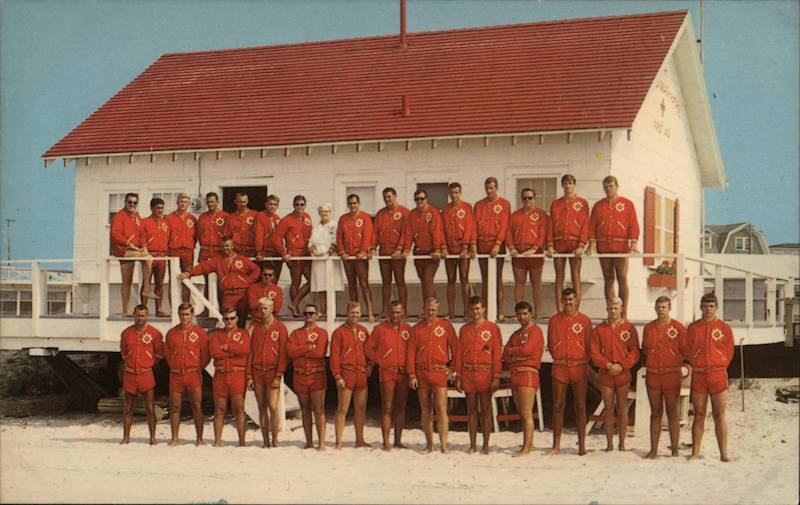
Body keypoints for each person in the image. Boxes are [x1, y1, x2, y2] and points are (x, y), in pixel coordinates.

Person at [686, 292, 734, 462]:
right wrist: (698, 363)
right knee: (699, 414)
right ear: (701, 307)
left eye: (712, 306)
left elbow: (729, 352)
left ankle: (724, 454)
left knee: (719, 415)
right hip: (699, 375)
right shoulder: (693, 328)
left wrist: (718, 365)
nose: (708, 309)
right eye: (705, 306)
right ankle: (695, 452)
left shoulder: (724, 328)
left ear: (716, 307)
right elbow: (688, 349)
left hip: (717, 374)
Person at [546, 287, 592, 456]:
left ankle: (582, 445)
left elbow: (589, 345)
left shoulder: (585, 321)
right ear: (561, 301)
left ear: (576, 300)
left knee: (580, 406)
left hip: (579, 366)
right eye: (565, 300)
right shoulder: (554, 320)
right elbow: (551, 344)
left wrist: (579, 357)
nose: (568, 303)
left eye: (571, 299)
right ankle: (556, 445)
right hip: (559, 367)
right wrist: (559, 354)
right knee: (558, 405)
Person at [408, 297, 457, 454]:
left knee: (441, 409)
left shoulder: (445, 326)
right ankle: (429, 444)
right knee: (425, 409)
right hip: (422, 372)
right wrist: (411, 375)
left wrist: (452, 368)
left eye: (434, 310)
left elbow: (456, 348)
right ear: (423, 310)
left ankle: (443, 445)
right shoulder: (416, 329)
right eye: (428, 310)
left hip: (438, 372)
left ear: (438, 310)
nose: (431, 313)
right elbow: (410, 354)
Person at [591, 297, 640, 452]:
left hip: (622, 373)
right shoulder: (599, 329)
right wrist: (608, 364)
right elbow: (594, 352)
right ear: (607, 309)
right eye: (610, 308)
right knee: (609, 407)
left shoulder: (629, 328)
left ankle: (622, 443)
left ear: (621, 309)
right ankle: (609, 444)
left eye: (616, 308)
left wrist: (622, 365)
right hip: (606, 373)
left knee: (622, 407)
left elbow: (634, 352)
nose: (613, 311)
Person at [454, 296, 502, 454]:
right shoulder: (464, 329)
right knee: (472, 409)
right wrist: (458, 376)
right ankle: (473, 444)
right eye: (473, 309)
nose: (475, 312)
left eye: (478, 309)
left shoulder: (492, 328)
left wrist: (496, 376)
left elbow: (496, 354)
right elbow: (459, 354)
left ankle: (486, 444)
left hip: (485, 372)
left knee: (486, 409)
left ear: (484, 309)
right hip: (468, 373)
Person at [641, 296, 687, 459]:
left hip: (671, 375)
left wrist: (681, 366)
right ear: (655, 308)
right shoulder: (649, 328)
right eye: (659, 307)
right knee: (655, 412)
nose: (661, 310)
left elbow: (685, 351)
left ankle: (674, 450)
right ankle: (653, 450)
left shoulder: (679, 328)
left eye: (664, 307)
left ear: (669, 308)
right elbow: (645, 350)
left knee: (673, 412)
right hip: (653, 375)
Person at [178, 236, 260, 326]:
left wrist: (247, 281)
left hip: (242, 295)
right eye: (224, 246)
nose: (226, 248)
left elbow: (256, 269)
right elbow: (203, 267)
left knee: (241, 323)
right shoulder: (218, 261)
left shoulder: (242, 259)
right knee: (228, 322)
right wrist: (189, 273)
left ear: (233, 246)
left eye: (228, 246)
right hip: (228, 296)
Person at [588, 176, 639, 319]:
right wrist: (592, 243)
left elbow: (633, 224)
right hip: (604, 246)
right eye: (605, 187)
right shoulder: (598, 206)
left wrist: (633, 243)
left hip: (621, 246)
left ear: (617, 186)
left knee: (622, 277)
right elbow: (592, 225)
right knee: (608, 278)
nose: (608, 189)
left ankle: (623, 312)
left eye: (611, 186)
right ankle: (612, 311)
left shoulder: (627, 204)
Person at [366, 300, 412, 451]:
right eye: (392, 312)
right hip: (387, 372)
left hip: (403, 373)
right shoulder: (380, 329)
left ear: (403, 312)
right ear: (388, 312)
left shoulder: (408, 329)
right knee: (386, 407)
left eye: (398, 312)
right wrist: (381, 360)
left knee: (401, 406)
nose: (395, 315)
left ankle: (398, 440)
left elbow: (412, 351)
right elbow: (369, 348)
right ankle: (386, 442)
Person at [502, 301, 544, 457]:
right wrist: (518, 353)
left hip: (528, 372)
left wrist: (515, 351)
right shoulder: (516, 334)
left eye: (525, 313)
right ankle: (529, 443)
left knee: (526, 412)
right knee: (521, 412)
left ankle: (526, 448)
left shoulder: (536, 331)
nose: (522, 316)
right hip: (516, 373)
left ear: (531, 314)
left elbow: (528, 349)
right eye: (519, 314)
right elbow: (505, 354)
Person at [164, 303, 209, 446]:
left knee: (197, 406)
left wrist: (196, 367)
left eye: (187, 314)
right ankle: (175, 438)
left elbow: (205, 356)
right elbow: (168, 354)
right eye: (182, 314)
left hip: (193, 375)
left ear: (192, 315)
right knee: (175, 407)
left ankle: (199, 438)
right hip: (176, 375)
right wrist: (175, 366)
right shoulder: (171, 333)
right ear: (178, 315)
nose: (184, 317)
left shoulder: (200, 333)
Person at [330, 302, 374, 449]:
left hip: (361, 373)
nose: (354, 315)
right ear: (347, 313)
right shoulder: (339, 332)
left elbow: (370, 351)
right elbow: (334, 357)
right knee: (343, 408)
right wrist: (337, 376)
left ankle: (359, 440)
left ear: (360, 314)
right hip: (346, 372)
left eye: (357, 312)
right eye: (352, 312)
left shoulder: (363, 331)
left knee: (361, 408)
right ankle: (338, 441)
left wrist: (370, 365)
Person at [246, 297, 288, 448]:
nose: (263, 311)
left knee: (273, 405)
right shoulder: (256, 329)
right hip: (258, 371)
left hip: (272, 371)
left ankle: (275, 439)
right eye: (261, 308)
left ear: (272, 309)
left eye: (266, 308)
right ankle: (265, 441)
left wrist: (279, 375)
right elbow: (251, 352)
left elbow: (283, 354)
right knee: (261, 406)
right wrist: (249, 376)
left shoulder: (280, 328)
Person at [287, 303, 328, 451]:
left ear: (317, 315)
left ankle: (322, 442)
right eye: (306, 314)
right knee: (305, 410)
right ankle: (309, 442)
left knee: (319, 410)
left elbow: (319, 352)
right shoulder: (296, 333)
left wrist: (301, 348)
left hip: (316, 374)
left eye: (311, 313)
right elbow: (291, 352)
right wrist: (308, 347)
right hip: (300, 375)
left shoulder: (322, 332)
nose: (308, 316)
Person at [119, 304, 163, 445]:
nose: (140, 318)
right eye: (138, 315)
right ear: (134, 315)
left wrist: (148, 364)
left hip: (146, 374)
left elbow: (159, 354)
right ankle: (126, 438)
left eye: (143, 316)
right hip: (130, 375)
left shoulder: (154, 333)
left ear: (147, 316)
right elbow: (123, 353)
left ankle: (153, 437)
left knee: (150, 408)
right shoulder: (126, 333)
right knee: (128, 408)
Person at [547, 174, 589, 312]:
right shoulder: (555, 204)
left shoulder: (582, 203)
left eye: (570, 183)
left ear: (574, 184)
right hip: (559, 243)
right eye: (565, 183)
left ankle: (575, 309)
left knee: (575, 274)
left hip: (574, 243)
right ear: (562, 185)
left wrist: (581, 245)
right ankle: (560, 309)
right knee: (559, 276)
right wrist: (550, 245)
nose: (567, 186)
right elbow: (550, 225)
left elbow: (585, 225)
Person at [209, 307, 251, 447]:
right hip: (220, 374)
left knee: (239, 408)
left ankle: (242, 441)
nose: (229, 321)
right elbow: (215, 352)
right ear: (223, 320)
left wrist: (227, 347)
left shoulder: (243, 334)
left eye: (232, 318)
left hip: (237, 374)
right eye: (226, 319)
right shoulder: (216, 335)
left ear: (237, 319)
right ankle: (218, 441)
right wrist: (234, 350)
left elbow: (244, 350)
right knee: (219, 409)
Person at [110, 193, 156, 316]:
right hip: (123, 250)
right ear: (125, 202)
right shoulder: (119, 216)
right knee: (127, 281)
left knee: (147, 257)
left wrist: (144, 246)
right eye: (130, 202)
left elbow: (142, 234)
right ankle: (126, 309)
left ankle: (146, 288)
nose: (132, 205)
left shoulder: (136, 216)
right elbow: (115, 234)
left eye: (135, 202)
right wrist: (127, 243)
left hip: (135, 250)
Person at [507, 187, 549, 320]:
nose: (527, 201)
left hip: (534, 254)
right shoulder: (515, 215)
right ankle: (519, 313)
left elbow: (542, 234)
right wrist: (512, 248)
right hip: (519, 254)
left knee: (536, 283)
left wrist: (534, 249)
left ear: (535, 199)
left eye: (530, 198)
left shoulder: (541, 214)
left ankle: (538, 313)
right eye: (524, 198)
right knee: (519, 283)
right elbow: (508, 233)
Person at [403, 189, 445, 315]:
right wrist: (406, 249)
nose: (419, 201)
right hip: (419, 252)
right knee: (424, 281)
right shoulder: (412, 214)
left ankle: (433, 309)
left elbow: (437, 231)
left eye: (422, 199)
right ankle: (427, 309)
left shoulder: (433, 212)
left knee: (428, 279)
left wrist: (437, 249)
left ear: (426, 199)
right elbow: (409, 233)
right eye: (417, 199)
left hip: (431, 252)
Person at [474, 177, 511, 321]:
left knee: (498, 279)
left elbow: (504, 225)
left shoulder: (504, 204)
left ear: (497, 188)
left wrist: (498, 244)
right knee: (485, 279)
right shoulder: (479, 205)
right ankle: (485, 310)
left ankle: (499, 311)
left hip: (496, 245)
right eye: (487, 188)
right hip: (482, 244)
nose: (489, 191)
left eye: (492, 188)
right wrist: (474, 244)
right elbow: (475, 225)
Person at [371, 187, 409, 318]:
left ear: (395, 196)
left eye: (389, 197)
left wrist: (399, 249)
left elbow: (406, 233)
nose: (387, 199)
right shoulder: (381, 214)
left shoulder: (404, 212)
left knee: (400, 281)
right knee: (385, 282)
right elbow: (375, 233)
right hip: (384, 252)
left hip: (397, 254)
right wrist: (372, 247)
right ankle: (385, 310)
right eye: (385, 197)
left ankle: (403, 310)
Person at [337, 194, 376, 322]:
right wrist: (342, 252)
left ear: (358, 203)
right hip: (348, 257)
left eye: (355, 203)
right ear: (347, 204)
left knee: (364, 284)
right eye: (350, 203)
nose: (352, 206)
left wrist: (363, 251)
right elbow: (339, 237)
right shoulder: (343, 219)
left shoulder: (365, 217)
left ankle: (370, 312)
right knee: (352, 284)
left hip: (360, 257)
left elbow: (367, 235)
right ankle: (355, 313)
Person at [273, 195, 313, 318]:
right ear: (293, 205)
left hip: (306, 255)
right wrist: (284, 253)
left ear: (305, 205)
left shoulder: (307, 217)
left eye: (302, 204)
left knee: (313, 281)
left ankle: (294, 303)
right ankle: (294, 309)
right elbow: (277, 238)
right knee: (296, 281)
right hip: (294, 255)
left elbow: (311, 234)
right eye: (297, 204)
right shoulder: (286, 220)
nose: (299, 207)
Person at [441, 182, 477, 320]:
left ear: (460, 193)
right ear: (449, 194)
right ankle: (451, 312)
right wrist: (444, 247)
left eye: (456, 192)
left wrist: (466, 247)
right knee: (451, 280)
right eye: (452, 193)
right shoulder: (445, 209)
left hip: (463, 250)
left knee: (464, 279)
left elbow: (469, 228)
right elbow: (442, 229)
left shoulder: (467, 207)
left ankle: (467, 312)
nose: (454, 195)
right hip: (450, 250)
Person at [308, 203, 344, 316]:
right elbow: (311, 242)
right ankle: (323, 310)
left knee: (330, 285)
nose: (324, 214)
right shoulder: (316, 227)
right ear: (319, 213)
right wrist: (314, 251)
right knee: (321, 286)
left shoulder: (335, 226)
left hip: (330, 259)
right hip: (318, 260)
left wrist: (328, 253)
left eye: (327, 212)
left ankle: (331, 311)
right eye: (322, 212)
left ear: (330, 212)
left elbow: (336, 241)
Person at [197, 192, 231, 306]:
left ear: (217, 202)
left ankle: (222, 309)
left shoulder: (225, 216)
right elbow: (199, 235)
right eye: (208, 202)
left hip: (219, 253)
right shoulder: (202, 217)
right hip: (206, 252)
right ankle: (207, 309)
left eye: (212, 202)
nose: (210, 204)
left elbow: (228, 236)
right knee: (207, 282)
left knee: (221, 282)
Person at [140, 197, 170, 317]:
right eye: (157, 208)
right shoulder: (145, 222)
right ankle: (143, 309)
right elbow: (142, 238)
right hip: (149, 256)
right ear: (152, 208)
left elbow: (169, 238)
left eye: (162, 208)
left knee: (160, 283)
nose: (160, 210)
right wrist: (145, 250)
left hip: (162, 256)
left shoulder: (166, 223)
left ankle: (159, 309)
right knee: (146, 283)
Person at [167, 193, 198, 303]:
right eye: (181, 201)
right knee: (173, 280)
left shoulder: (192, 219)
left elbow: (195, 236)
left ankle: (185, 306)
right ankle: (174, 308)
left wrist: (190, 247)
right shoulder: (169, 218)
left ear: (188, 203)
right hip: (174, 252)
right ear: (177, 202)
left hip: (188, 253)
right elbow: (167, 236)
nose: (183, 204)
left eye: (185, 202)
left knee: (187, 279)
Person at [255, 194, 283, 280]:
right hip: (265, 253)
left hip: (276, 253)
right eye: (270, 204)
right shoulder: (260, 215)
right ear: (266, 204)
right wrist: (259, 251)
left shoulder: (277, 218)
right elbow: (258, 235)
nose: (272, 206)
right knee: (265, 279)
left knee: (275, 279)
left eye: (274, 204)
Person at [230, 192, 258, 258]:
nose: (242, 204)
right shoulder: (231, 217)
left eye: (244, 202)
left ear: (248, 201)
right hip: (236, 253)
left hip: (252, 253)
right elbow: (228, 236)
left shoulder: (255, 215)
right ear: (235, 201)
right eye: (240, 202)